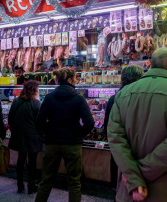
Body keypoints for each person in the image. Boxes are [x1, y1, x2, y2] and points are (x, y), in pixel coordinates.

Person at [107, 48, 167, 202]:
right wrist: (141, 174)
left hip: (131, 190)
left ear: (150, 66)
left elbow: (115, 138)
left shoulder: (123, 94)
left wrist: (134, 177)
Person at [35, 67, 94, 202]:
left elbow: (39, 121)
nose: (76, 81)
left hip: (52, 143)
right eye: (75, 78)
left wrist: (47, 132)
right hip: (72, 145)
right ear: (69, 80)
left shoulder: (49, 98)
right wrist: (78, 133)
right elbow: (89, 123)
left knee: (46, 181)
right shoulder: (78, 99)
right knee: (74, 183)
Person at [104, 65, 144, 191]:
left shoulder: (114, 98)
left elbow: (107, 127)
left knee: (119, 186)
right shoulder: (142, 98)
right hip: (138, 148)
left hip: (118, 150)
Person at [8, 80, 42, 194]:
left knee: (21, 159)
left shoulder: (16, 102)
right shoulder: (36, 103)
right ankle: (31, 185)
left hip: (19, 135)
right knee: (32, 161)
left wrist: (15, 130)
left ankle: (20, 184)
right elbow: (40, 122)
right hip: (33, 136)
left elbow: (10, 119)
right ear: (34, 90)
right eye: (37, 89)